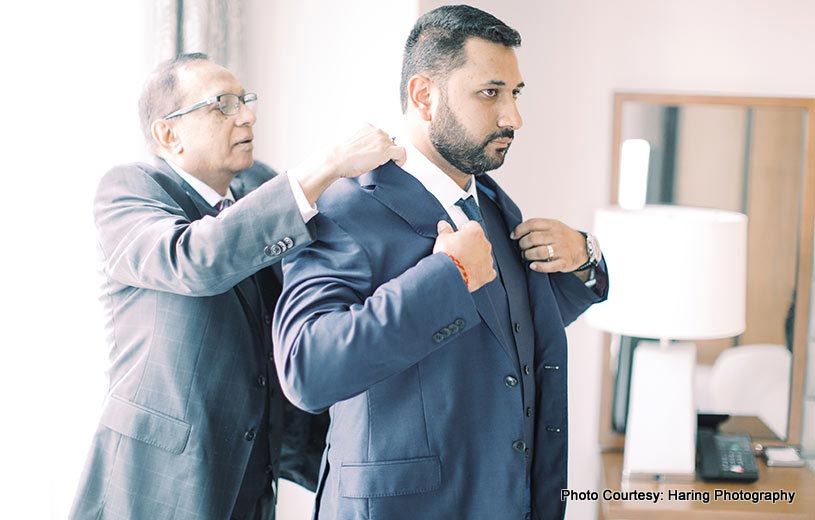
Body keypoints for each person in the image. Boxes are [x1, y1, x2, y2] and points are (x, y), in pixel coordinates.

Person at [273, 5, 609, 520]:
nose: (513, 117)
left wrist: (584, 259)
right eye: (490, 92)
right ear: (423, 95)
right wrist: (447, 277)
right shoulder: (345, 209)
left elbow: (501, 335)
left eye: (514, 94)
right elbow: (306, 368)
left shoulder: (493, 204)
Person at [70, 53, 404, 520]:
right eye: (222, 104)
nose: (247, 115)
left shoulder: (257, 184)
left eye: (245, 101)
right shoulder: (128, 188)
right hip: (154, 482)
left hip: (252, 476)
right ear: (168, 134)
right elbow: (195, 259)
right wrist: (326, 164)